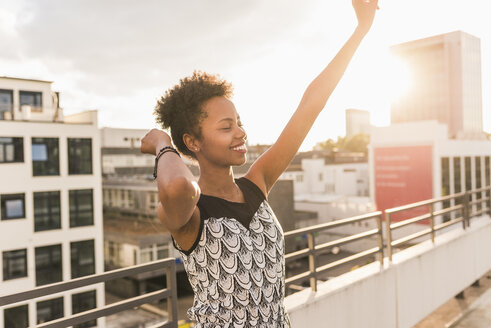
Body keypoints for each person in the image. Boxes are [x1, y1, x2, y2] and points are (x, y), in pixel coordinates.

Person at [141, 1, 378, 326]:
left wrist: (361, 31)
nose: (240, 132)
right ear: (192, 142)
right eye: (226, 127)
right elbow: (177, 184)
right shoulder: (190, 214)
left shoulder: (257, 183)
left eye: (238, 122)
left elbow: (311, 104)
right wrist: (161, 143)